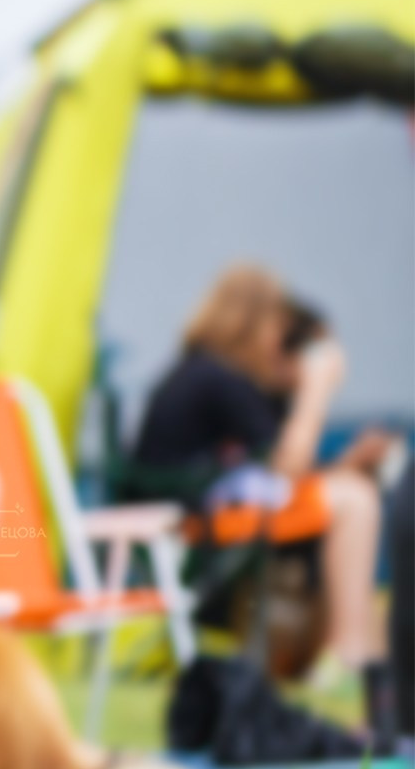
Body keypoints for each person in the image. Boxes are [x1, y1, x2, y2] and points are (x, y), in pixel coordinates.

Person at [131, 264, 393, 724]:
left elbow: (274, 471)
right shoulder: (216, 378)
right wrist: (316, 388)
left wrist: (346, 461)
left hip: (199, 515)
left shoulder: (209, 373)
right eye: (282, 330)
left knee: (352, 490)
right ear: (257, 322)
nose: (283, 346)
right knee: (353, 500)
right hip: (186, 528)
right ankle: (351, 653)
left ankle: (360, 650)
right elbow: (286, 473)